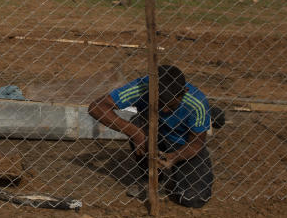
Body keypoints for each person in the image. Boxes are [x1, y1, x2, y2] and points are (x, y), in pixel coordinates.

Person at [88, 65, 214, 208]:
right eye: (159, 103)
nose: (165, 110)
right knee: (136, 123)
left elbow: (196, 143)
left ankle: (178, 173)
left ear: (183, 92)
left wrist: (173, 157)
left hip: (183, 143)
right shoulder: (142, 87)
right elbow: (96, 107)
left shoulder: (197, 103)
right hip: (151, 134)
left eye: (171, 105)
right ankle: (152, 178)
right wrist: (135, 133)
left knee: (193, 199)